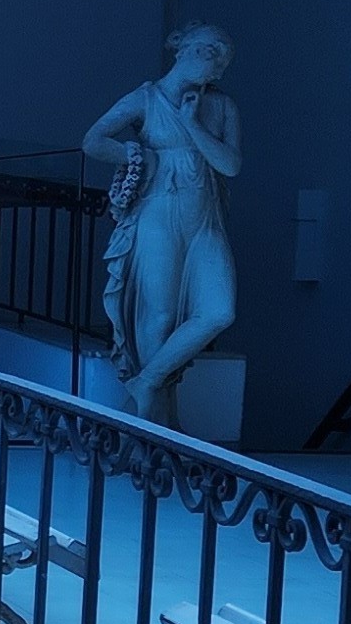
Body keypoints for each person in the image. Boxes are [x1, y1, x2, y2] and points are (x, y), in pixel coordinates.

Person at [84, 22, 240, 420]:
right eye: (209, 50)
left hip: (204, 220)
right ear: (183, 49)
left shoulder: (222, 107)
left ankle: (147, 383)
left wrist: (192, 124)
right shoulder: (146, 99)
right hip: (158, 212)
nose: (215, 61)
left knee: (219, 310)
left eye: (222, 58)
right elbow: (94, 140)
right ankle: (157, 421)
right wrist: (134, 155)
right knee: (160, 317)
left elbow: (230, 165)